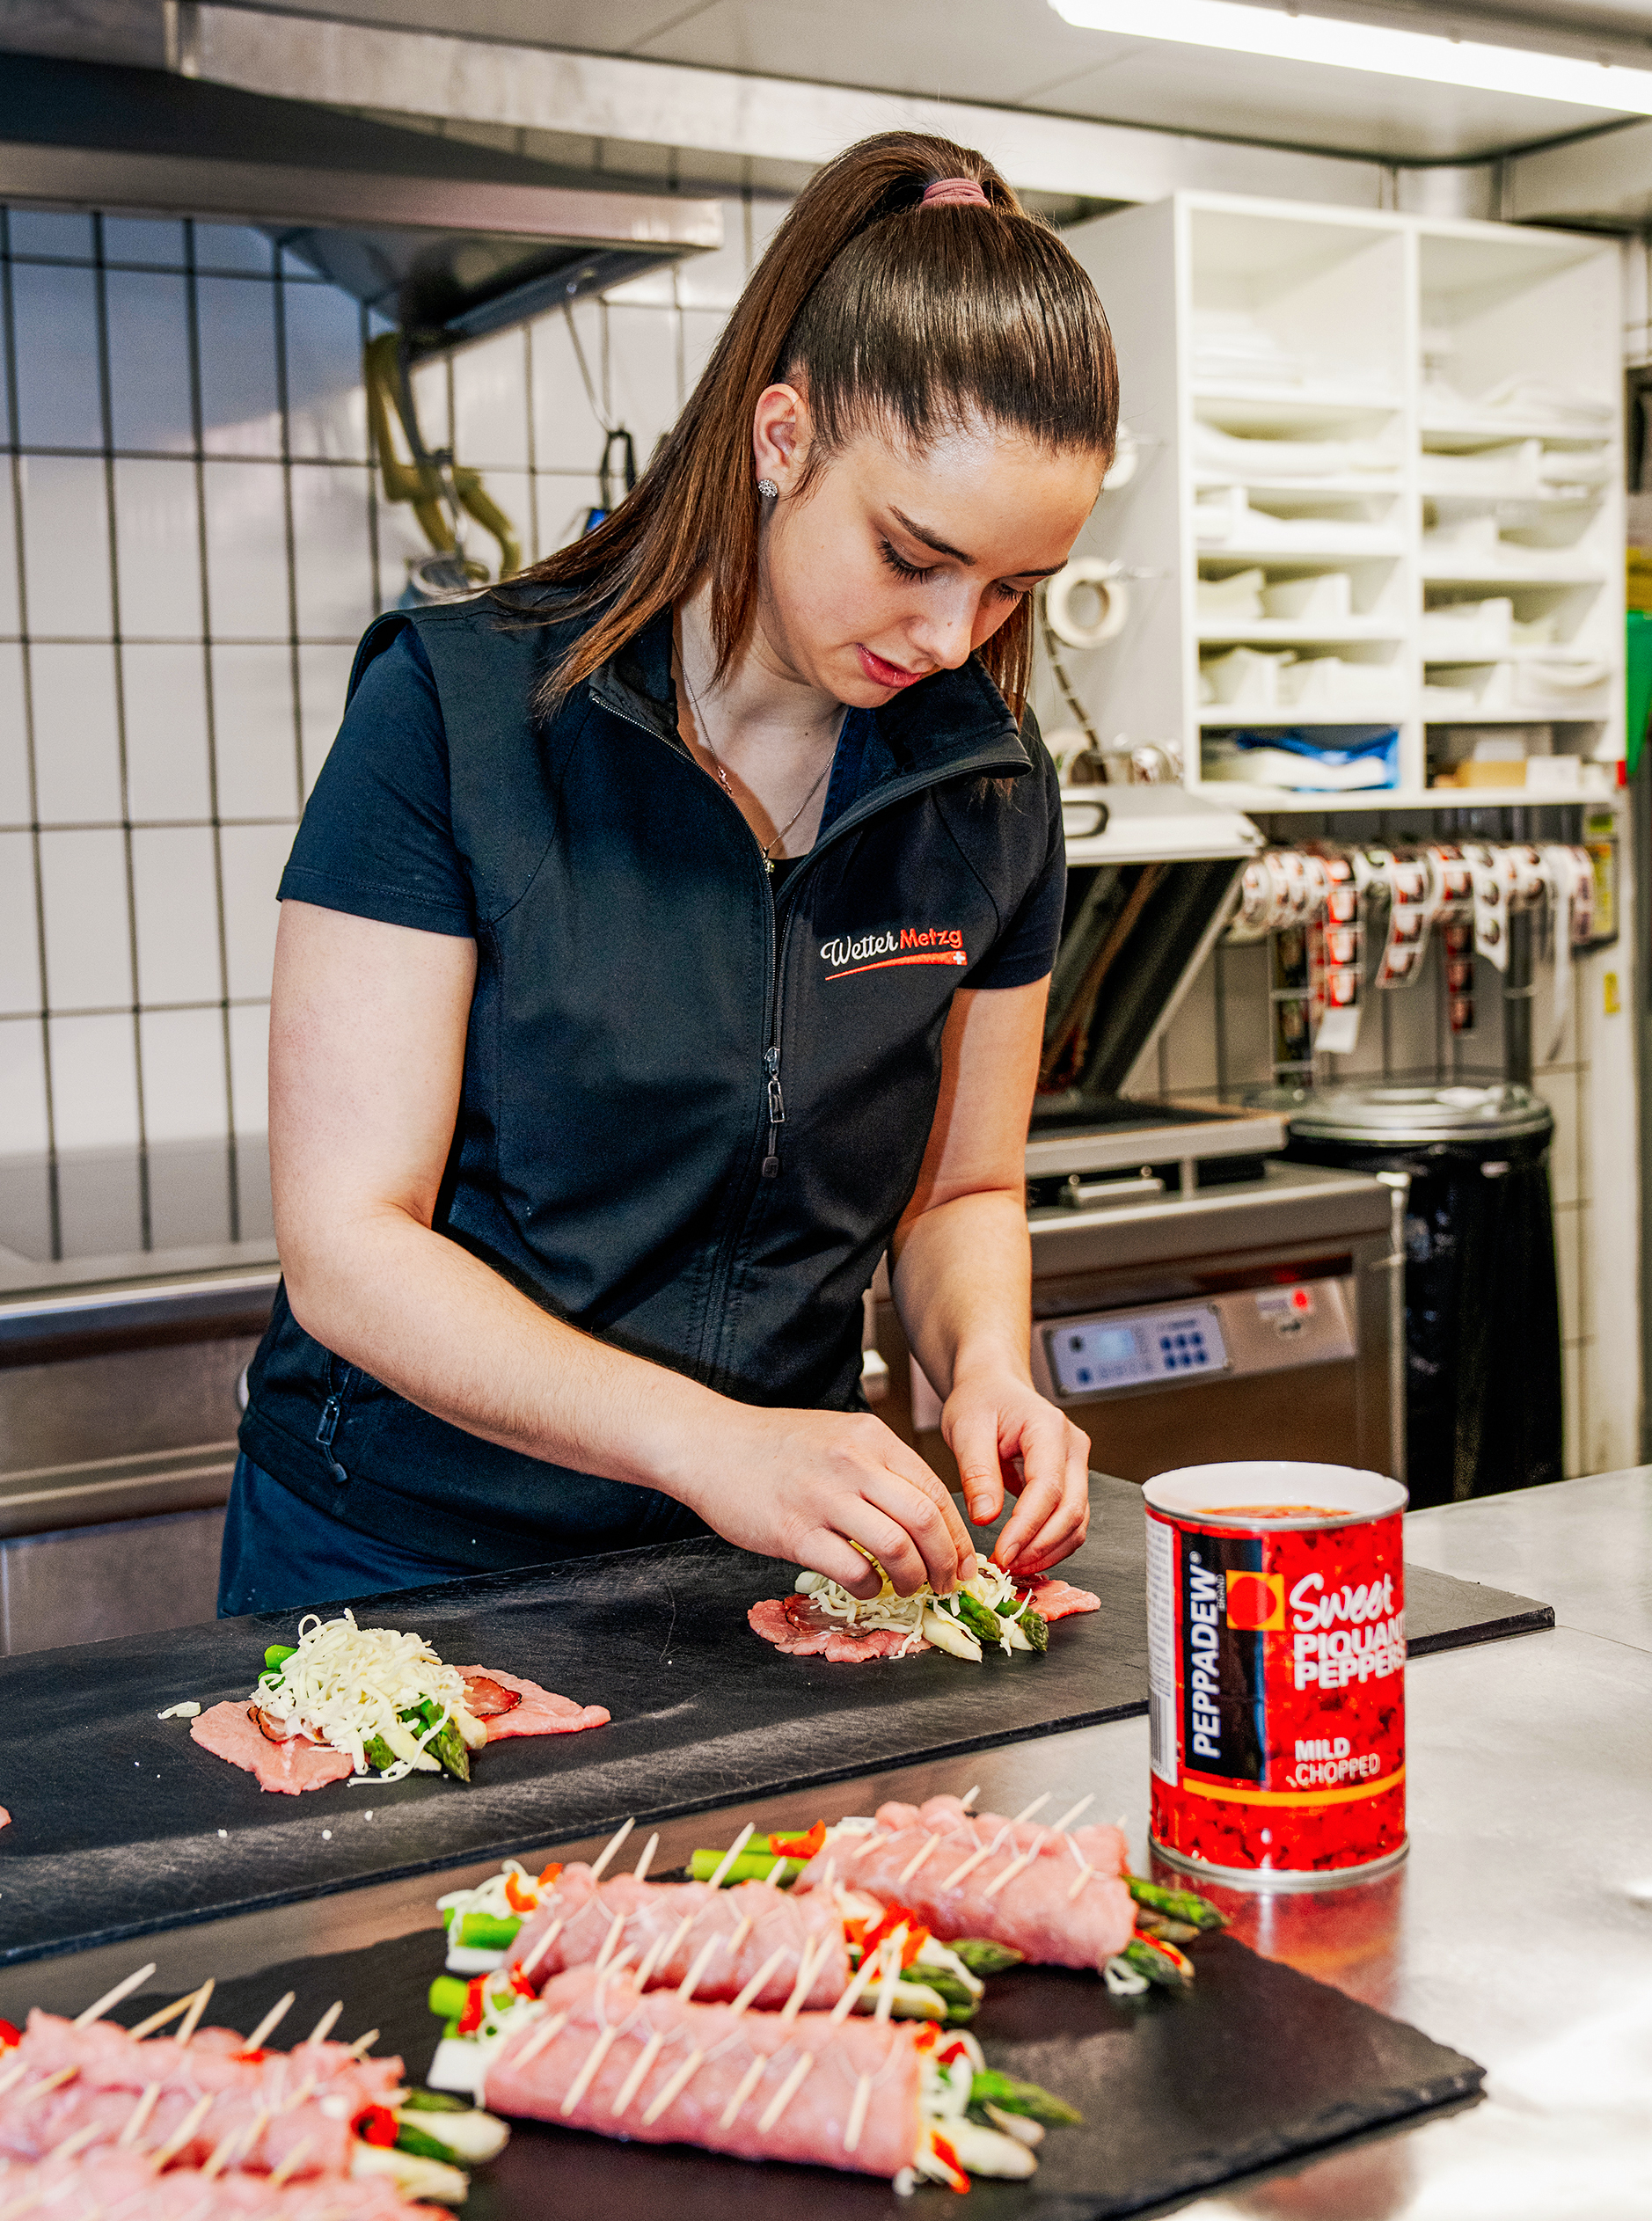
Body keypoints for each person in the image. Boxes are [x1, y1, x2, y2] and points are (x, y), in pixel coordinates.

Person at [222, 128, 1119, 1618]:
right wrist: (711, 1444)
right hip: (400, 1563)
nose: (954, 636)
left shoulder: (986, 790)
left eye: (1012, 587)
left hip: (754, 1573)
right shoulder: (457, 715)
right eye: (912, 554)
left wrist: (987, 1368)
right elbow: (347, 1246)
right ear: (783, 437)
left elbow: (962, 1189)